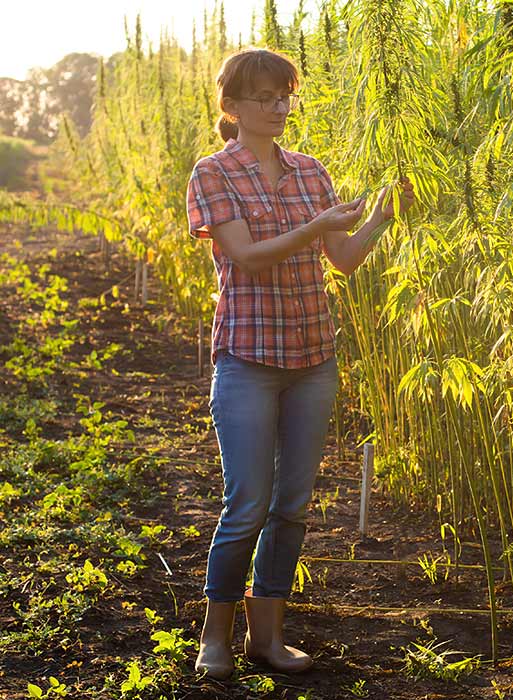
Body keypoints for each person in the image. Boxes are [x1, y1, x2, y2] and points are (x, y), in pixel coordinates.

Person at [185, 47, 415, 679]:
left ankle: (269, 636)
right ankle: (215, 634)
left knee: (292, 504)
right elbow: (246, 257)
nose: (279, 107)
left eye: (286, 95)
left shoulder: (311, 170)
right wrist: (316, 227)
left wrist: (379, 220)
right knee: (248, 502)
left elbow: (342, 258)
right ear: (232, 106)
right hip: (248, 358)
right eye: (265, 97)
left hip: (313, 358)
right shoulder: (214, 173)